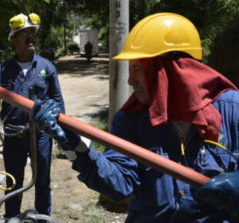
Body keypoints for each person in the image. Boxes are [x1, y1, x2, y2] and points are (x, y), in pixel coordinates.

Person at [30, 13, 239, 222]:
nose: (130, 80)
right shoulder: (131, 119)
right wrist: (79, 149)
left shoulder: (232, 110)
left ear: (171, 70)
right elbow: (119, 186)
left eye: (137, 69)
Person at [0, 13, 65, 218]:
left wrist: (60, 132)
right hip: (14, 136)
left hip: (40, 135)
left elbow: (58, 101)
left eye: (32, 33)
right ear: (14, 40)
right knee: (13, 180)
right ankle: (11, 217)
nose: (30, 37)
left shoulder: (46, 67)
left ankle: (44, 217)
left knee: (42, 179)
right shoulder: (3, 69)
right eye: (24, 33)